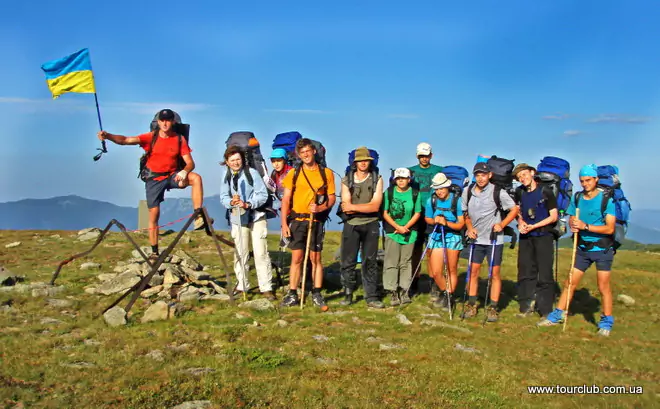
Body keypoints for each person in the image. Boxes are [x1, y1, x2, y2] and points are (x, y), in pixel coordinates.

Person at [97, 109, 207, 260]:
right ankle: (154, 251)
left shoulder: (179, 139)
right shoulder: (151, 137)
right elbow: (125, 140)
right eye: (162, 120)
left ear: (173, 122)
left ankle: (198, 216)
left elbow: (190, 163)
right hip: (154, 179)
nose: (165, 123)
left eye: (168, 120)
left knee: (196, 178)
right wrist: (107, 136)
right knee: (154, 214)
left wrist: (185, 171)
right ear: (158, 122)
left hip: (172, 175)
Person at [537, 164, 616, 336]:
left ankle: (607, 321)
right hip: (582, 248)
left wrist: (585, 226)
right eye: (582, 181)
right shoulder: (578, 197)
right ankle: (557, 314)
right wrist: (574, 224)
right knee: (570, 283)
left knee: (603, 286)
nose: (585, 184)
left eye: (588, 180)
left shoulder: (607, 200)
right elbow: (573, 215)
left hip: (602, 249)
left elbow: (610, 228)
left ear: (596, 180)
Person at [279, 138, 336, 310]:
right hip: (297, 220)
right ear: (298, 154)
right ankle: (292, 294)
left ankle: (316, 293)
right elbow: (286, 199)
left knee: (315, 258)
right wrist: (284, 224)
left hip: (316, 220)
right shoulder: (293, 174)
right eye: (302, 153)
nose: (305, 155)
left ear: (314, 152)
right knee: (297, 258)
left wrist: (321, 207)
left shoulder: (326, 173)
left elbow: (332, 197)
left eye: (308, 151)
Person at [460, 162, 519, 322]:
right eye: (477, 175)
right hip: (476, 239)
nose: (480, 178)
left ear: (490, 175)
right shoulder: (467, 192)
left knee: (494, 274)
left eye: (483, 175)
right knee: (473, 272)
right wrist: (469, 227)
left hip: (494, 240)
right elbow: (465, 213)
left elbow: (514, 209)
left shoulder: (498, 191)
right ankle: (472, 305)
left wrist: (502, 224)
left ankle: (493, 308)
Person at [219, 145, 275, 300]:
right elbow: (223, 196)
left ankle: (266, 287)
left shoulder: (252, 173)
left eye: (238, 159)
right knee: (240, 253)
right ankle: (242, 285)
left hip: (256, 216)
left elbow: (262, 195)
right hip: (238, 218)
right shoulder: (226, 175)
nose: (236, 162)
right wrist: (231, 201)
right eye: (232, 160)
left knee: (260, 253)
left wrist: (248, 204)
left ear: (242, 159)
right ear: (227, 162)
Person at [339, 147, 385, 308]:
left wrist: (355, 207)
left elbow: (375, 206)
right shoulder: (346, 179)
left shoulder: (377, 179)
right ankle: (348, 293)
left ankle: (371, 296)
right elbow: (345, 207)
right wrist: (365, 207)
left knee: (370, 261)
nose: (363, 163)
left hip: (370, 224)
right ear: (355, 162)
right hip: (351, 224)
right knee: (348, 261)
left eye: (366, 160)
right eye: (360, 160)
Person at [513, 163, 558, 318]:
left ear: (532, 173)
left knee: (545, 272)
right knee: (525, 270)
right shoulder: (519, 192)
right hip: (526, 236)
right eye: (519, 177)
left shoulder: (546, 192)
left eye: (524, 174)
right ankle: (526, 305)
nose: (522, 178)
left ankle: (545, 309)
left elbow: (553, 216)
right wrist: (520, 222)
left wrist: (534, 226)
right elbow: (517, 210)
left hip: (544, 235)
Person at [425, 173, 465, 311]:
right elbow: (428, 219)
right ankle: (446, 292)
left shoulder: (457, 201)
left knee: (451, 269)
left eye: (442, 188)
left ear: (447, 186)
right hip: (437, 235)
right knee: (436, 272)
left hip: (453, 236)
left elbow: (460, 224)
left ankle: (449, 297)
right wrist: (435, 220)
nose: (439, 191)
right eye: (437, 188)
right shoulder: (431, 200)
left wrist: (446, 223)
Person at [408, 142, 444, 297]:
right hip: (415, 215)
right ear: (417, 156)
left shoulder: (439, 171)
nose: (424, 158)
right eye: (421, 156)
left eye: (426, 155)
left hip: (433, 214)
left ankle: (433, 283)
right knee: (415, 250)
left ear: (431, 155)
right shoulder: (410, 171)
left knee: (431, 250)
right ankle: (414, 282)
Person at [382, 168, 421, 306]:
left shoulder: (416, 193)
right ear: (394, 180)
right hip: (393, 231)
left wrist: (406, 227)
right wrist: (397, 227)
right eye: (398, 178)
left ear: (409, 179)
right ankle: (392, 291)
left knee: (406, 262)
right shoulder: (389, 193)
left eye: (403, 178)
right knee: (392, 261)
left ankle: (404, 290)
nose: (401, 181)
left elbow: (417, 212)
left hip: (409, 232)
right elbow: (385, 212)